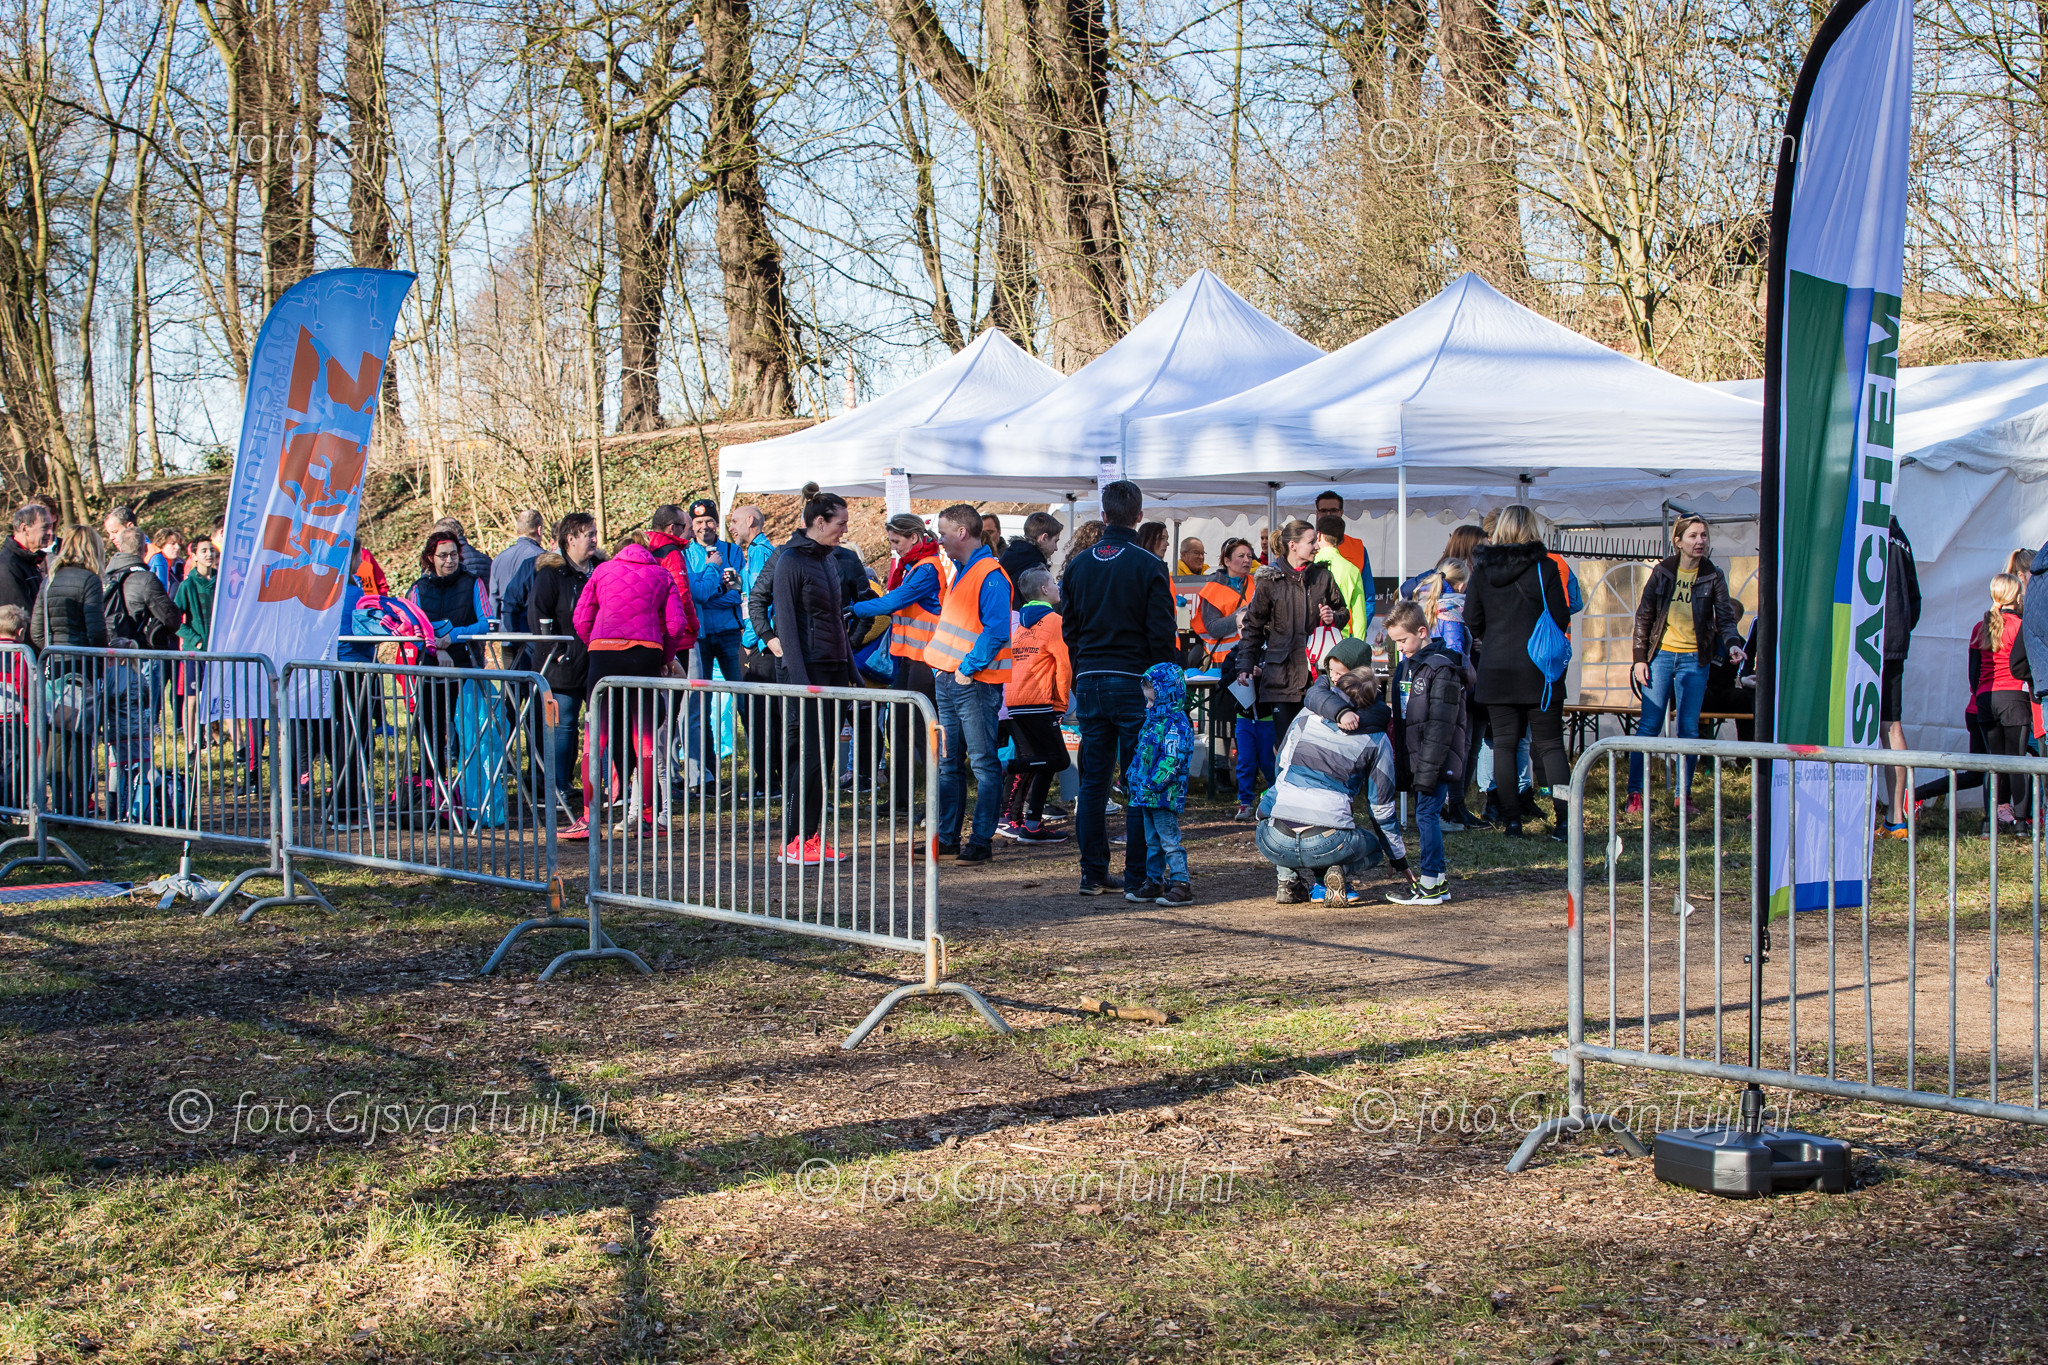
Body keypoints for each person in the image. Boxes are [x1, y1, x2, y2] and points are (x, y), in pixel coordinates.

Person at [1060, 481, 1178, 896]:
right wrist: (1162, 683)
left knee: (1093, 782)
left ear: (1104, 515)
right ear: (1139, 517)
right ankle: (1137, 877)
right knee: (1137, 781)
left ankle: (1093, 873)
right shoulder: (1149, 565)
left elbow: (1069, 629)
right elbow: (1161, 633)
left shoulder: (1078, 565)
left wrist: (1083, 670)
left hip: (1091, 679)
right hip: (1132, 681)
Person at [1624, 514, 1745, 819]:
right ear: (1678, 541)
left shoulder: (1713, 575)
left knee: (1689, 729)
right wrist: (1639, 658)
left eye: (1703, 535)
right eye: (1693, 536)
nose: (1700, 541)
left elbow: (1725, 618)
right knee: (1649, 726)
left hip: (1695, 659)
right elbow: (1644, 615)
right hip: (1661, 656)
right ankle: (1635, 793)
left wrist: (1733, 644)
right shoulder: (1663, 571)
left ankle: (1684, 794)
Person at [573, 522, 692, 832]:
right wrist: (665, 658)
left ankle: (588, 816)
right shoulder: (662, 574)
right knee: (646, 740)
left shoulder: (602, 571)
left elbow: (581, 618)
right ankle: (648, 816)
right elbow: (677, 625)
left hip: (603, 654)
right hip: (646, 654)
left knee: (595, 737)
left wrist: (595, 644)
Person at [1255, 670, 1410, 904]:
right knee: (1374, 848)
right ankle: (1336, 872)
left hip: (1273, 839)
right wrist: (1398, 859)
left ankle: (1287, 880)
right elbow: (1381, 808)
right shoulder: (1377, 739)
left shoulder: (1305, 716)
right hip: (1327, 840)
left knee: (1276, 814)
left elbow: (1281, 768)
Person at [1466, 504, 1574, 840]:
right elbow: (1561, 616)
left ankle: (1512, 822)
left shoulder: (1482, 569)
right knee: (1550, 745)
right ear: (1532, 529)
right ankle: (1564, 822)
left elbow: (1472, 618)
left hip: (1496, 666)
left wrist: (1492, 637)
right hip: (1539, 669)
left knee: (1504, 745)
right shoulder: (1545, 566)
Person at [761, 484, 855, 863]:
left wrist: (852, 672)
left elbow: (836, 621)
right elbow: (786, 624)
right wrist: (801, 683)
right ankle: (794, 841)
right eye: (840, 523)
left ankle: (811, 836)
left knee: (825, 756)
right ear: (819, 522)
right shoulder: (790, 561)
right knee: (810, 757)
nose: (845, 529)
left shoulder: (829, 561)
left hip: (834, 669)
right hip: (808, 672)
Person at [924, 503, 1014, 862]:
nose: (940, 540)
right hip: (956, 678)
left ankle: (979, 840)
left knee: (981, 763)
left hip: (972, 681)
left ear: (962, 533)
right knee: (951, 764)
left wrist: (967, 668)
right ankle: (949, 839)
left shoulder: (989, 573)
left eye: (943, 533)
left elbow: (996, 630)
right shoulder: (967, 571)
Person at [852, 513, 945, 808]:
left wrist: (854, 609)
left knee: (921, 731)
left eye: (896, 541)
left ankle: (937, 802)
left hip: (925, 661)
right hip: (907, 659)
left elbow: (894, 601)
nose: (893, 548)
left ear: (914, 537)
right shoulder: (912, 566)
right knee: (899, 729)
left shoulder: (927, 568)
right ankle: (902, 800)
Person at [1384, 601, 1473, 906]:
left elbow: (1441, 724)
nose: (1399, 648)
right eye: (1395, 642)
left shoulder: (1442, 668)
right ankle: (1439, 882)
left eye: (1402, 640)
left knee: (1426, 815)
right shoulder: (1405, 667)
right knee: (1425, 814)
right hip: (1417, 756)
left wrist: (1428, 766)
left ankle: (1430, 883)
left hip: (1435, 757)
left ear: (1422, 632)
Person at [1238, 518, 1349, 746]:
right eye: (1311, 541)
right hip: (1281, 676)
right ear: (1293, 545)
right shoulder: (1270, 580)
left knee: (1316, 745)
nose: (1317, 546)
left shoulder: (1323, 576)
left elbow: (1343, 611)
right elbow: (1253, 625)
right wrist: (1245, 664)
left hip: (1317, 675)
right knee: (1286, 744)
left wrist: (1333, 617)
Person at [528, 513, 603, 832]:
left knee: (599, 726)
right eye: (588, 534)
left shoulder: (601, 569)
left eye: (595, 533)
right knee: (563, 726)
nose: (594, 539)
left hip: (597, 658)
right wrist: (555, 652)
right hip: (561, 664)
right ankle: (556, 787)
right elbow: (538, 616)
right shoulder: (551, 574)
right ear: (570, 539)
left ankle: (594, 787)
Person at [33, 527, 108, 816]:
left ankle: (59, 805)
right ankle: (76, 807)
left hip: (54, 667)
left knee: (56, 738)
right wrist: (98, 662)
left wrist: (50, 652)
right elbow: (96, 631)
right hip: (81, 668)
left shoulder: (49, 579)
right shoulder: (89, 580)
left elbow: (36, 631)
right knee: (79, 740)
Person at [671, 499, 745, 789]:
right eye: (699, 522)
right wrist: (717, 590)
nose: (704, 527)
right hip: (698, 638)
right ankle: (706, 774)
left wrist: (709, 593)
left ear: (717, 522)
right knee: (698, 705)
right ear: (692, 525)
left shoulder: (733, 551)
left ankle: (763, 773)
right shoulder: (684, 552)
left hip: (729, 634)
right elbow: (694, 595)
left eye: (709, 521)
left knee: (744, 700)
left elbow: (738, 593)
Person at [1193, 537, 1264, 820]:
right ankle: (1221, 772)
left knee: (1249, 719)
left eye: (1249, 556)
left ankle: (1250, 772)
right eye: (1241, 556)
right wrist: (1239, 617)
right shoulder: (1211, 589)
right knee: (1222, 723)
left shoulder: (1257, 585)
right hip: (1223, 664)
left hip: (1253, 660)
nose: (1246, 560)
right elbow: (1211, 627)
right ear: (1226, 560)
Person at [1000, 566, 1071, 843]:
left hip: (1015, 700)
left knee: (1043, 763)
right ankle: (1006, 765)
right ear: (1043, 589)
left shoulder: (1021, 626)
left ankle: (1031, 825)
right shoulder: (1055, 622)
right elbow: (1064, 666)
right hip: (1038, 701)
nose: (1057, 586)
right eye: (1053, 582)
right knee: (1059, 759)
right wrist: (1061, 705)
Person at [1125, 661, 1194, 905]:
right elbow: (1141, 754)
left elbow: (1172, 759)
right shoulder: (1153, 722)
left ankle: (1181, 883)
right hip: (1146, 794)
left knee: (1169, 841)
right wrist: (1133, 778)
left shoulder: (1176, 724)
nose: (1147, 705)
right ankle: (1155, 881)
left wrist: (1153, 784)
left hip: (1163, 795)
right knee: (1152, 842)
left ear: (1166, 696)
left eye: (1151, 701)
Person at [1970, 572, 2032, 828]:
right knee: (2016, 760)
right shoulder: (2020, 626)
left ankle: (1989, 822)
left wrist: (1981, 694)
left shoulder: (1980, 627)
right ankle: (2021, 823)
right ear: (2017, 596)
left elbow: (1973, 673)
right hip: (2014, 697)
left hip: (1986, 699)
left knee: (1993, 763)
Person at [1877, 516, 1922, 836]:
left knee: (1855, 725)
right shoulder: (1900, 537)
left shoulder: (1864, 526)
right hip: (1893, 642)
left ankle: (1886, 815)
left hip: (1864, 642)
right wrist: (1900, 630)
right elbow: (1915, 597)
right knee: (1891, 725)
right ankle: (1896, 816)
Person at [104, 525, 182, 652]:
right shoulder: (146, 579)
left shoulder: (106, 577)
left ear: (121, 547)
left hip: (110, 648)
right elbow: (171, 618)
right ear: (145, 549)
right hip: (140, 650)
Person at [173, 538, 217, 741]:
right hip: (196, 652)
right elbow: (173, 620)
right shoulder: (187, 585)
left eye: (211, 550)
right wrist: (195, 639)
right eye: (204, 551)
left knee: (220, 697)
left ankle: (233, 743)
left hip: (218, 651)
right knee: (192, 699)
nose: (209, 554)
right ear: (194, 556)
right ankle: (190, 743)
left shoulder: (222, 582)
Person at [1313, 513, 1371, 639]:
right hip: (1340, 638)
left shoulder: (1309, 565)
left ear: (1318, 535)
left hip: (1312, 640)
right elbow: (1359, 616)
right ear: (1342, 540)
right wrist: (1358, 645)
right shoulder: (1352, 570)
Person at [490, 510, 546, 622]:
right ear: (539, 530)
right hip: (531, 627)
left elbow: (493, 599)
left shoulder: (499, 558)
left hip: (505, 626)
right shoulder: (542, 559)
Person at [1000, 511, 1064, 609]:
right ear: (1044, 538)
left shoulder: (1010, 557)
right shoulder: (1034, 567)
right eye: (1055, 541)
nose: (1056, 548)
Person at [1400, 526, 1483, 600]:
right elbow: (1405, 590)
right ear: (1467, 551)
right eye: (1483, 549)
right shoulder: (1441, 575)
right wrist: (1445, 571)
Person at [0, 503, 50, 614]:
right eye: (44, 527)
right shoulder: (8, 566)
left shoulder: (29, 560)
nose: (50, 533)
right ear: (24, 528)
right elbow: (18, 616)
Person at [1313, 489, 1371, 581]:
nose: (1328, 514)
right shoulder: (1306, 546)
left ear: (1341, 512)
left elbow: (1367, 585)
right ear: (1317, 513)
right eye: (1324, 510)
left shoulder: (1358, 548)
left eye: (1333, 510)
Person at [147, 527, 186, 597]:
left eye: (179, 544)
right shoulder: (154, 567)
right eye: (172, 543)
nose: (177, 547)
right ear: (161, 545)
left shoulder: (183, 566)